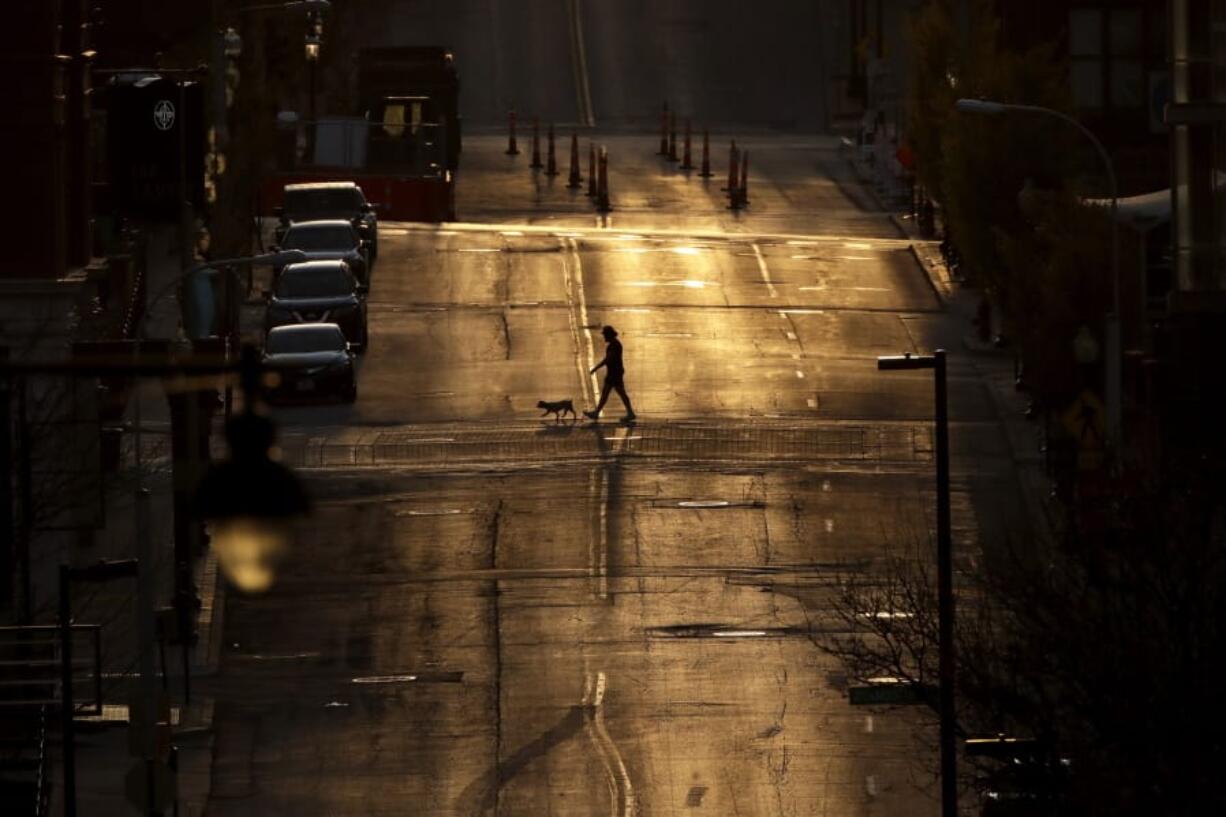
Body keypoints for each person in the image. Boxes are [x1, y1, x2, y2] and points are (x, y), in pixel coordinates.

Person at [584, 325, 635, 421]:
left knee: (619, 393)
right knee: (607, 393)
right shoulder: (614, 344)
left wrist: (595, 368)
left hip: (614, 373)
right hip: (614, 372)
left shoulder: (614, 345)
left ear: (609, 335)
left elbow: (608, 359)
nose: (604, 337)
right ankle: (597, 412)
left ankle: (630, 413)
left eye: (605, 335)